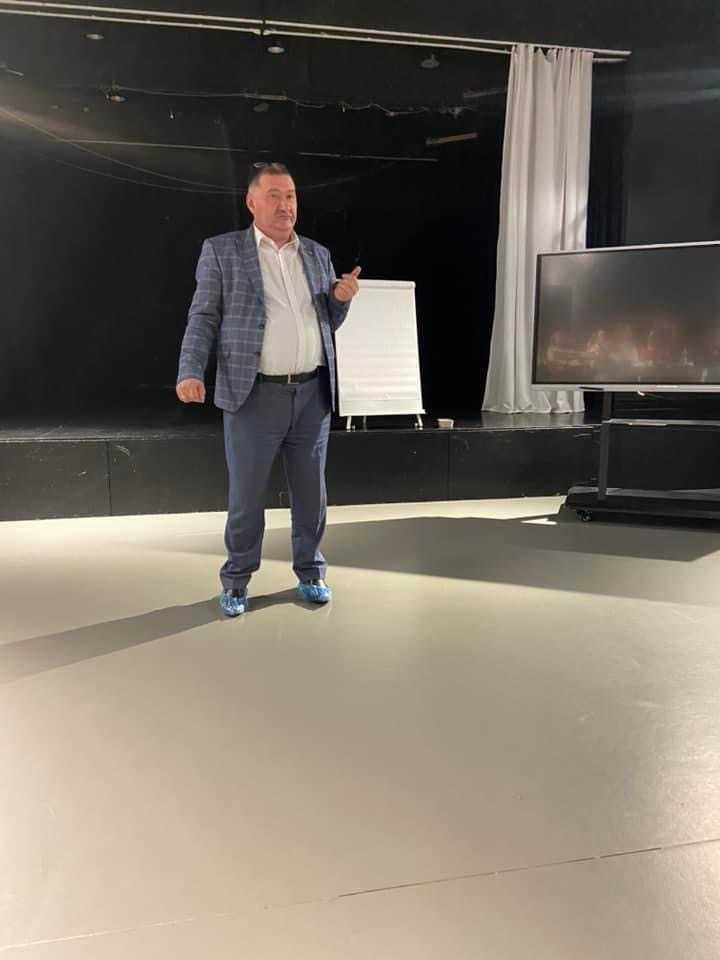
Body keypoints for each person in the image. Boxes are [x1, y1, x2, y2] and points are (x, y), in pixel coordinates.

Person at [176, 162, 361, 617]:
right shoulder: (222, 251)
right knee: (246, 497)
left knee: (312, 496)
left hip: (312, 395)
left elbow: (326, 321)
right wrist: (190, 370)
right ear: (252, 201)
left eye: (291, 196)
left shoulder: (316, 254)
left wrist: (339, 301)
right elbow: (203, 316)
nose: (285, 205)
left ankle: (311, 572)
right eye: (274, 195)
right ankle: (237, 580)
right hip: (252, 396)